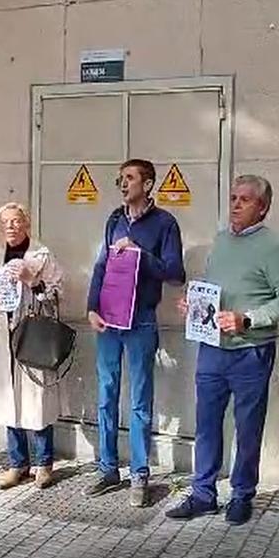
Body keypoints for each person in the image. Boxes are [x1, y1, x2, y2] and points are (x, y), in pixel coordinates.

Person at [165, 176, 279, 525]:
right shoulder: (222, 240)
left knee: (247, 426)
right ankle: (203, 493)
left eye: (245, 200)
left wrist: (249, 319)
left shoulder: (275, 247)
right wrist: (194, 303)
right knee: (207, 423)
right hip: (212, 348)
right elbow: (215, 288)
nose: (236, 205)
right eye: (233, 198)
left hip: (251, 351)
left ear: (263, 207)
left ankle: (242, 494)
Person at [85, 158, 186, 508]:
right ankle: (107, 469)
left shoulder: (165, 223)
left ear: (148, 184)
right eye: (120, 179)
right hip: (109, 321)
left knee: (140, 399)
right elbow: (102, 265)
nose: (123, 184)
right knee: (106, 393)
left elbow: (175, 273)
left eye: (129, 178)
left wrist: (141, 255)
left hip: (141, 320)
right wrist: (91, 307)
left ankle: (140, 474)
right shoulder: (113, 219)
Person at [0, 203, 64, 490]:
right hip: (4, 335)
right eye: (6, 222)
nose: (11, 227)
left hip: (33, 334)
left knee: (36, 399)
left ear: (27, 224)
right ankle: (17, 463)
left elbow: (57, 295)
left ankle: (44, 464)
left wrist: (33, 282)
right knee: (10, 400)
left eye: (17, 221)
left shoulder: (41, 256)